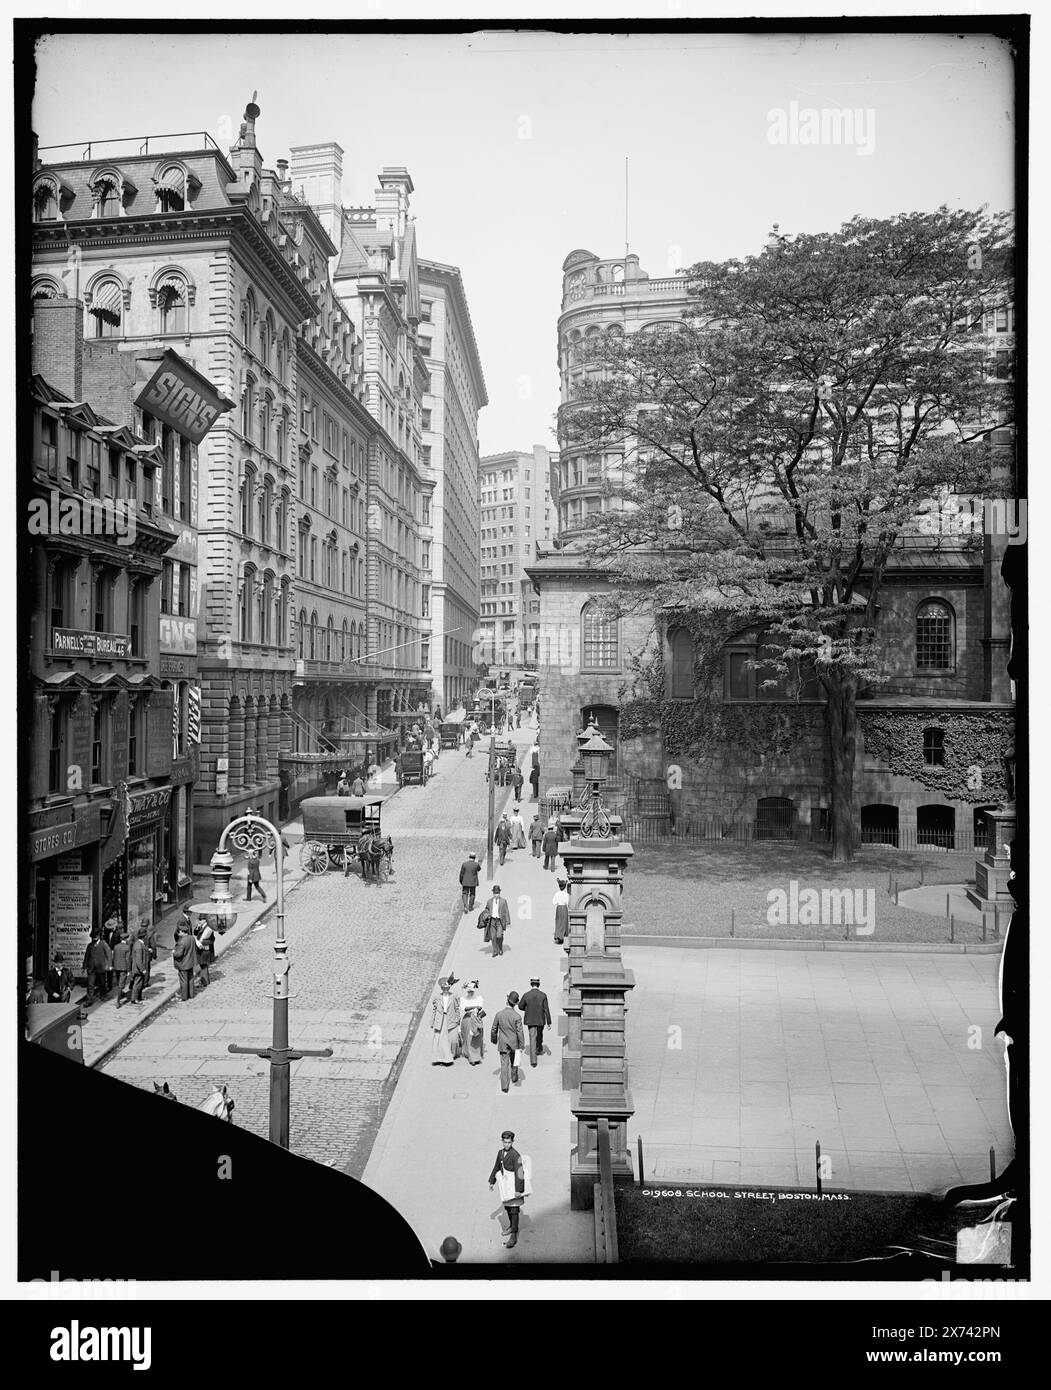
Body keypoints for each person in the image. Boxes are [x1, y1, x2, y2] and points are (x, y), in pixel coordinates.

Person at [488, 1131, 529, 1249]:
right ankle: (511, 1226)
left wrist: (519, 1190)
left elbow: (520, 1172)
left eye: (509, 1142)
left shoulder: (516, 1155)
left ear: (512, 1142)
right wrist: (492, 1181)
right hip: (506, 1184)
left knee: (514, 1209)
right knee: (507, 1206)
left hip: (514, 1184)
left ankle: (514, 1235)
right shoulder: (500, 1153)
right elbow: (496, 1167)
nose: (507, 1145)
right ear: (502, 1141)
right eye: (505, 1142)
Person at [490, 994, 526, 1093]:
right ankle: (514, 1076)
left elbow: (494, 1029)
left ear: (507, 1000)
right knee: (516, 1060)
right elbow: (520, 1032)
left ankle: (505, 1086)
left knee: (504, 1064)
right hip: (515, 1043)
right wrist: (522, 1044)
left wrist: (494, 1040)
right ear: (515, 1004)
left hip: (503, 1043)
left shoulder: (499, 1014)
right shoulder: (517, 1016)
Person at [518, 978, 552, 1066]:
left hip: (530, 1019)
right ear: (539, 984)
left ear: (531, 984)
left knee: (532, 1037)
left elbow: (520, 1006)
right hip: (540, 1018)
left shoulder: (526, 995)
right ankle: (539, 1048)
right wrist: (549, 1021)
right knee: (540, 1034)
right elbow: (546, 1009)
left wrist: (527, 1008)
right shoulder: (543, 995)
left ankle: (533, 1060)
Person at [430, 976, 461, 1065]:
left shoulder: (454, 996)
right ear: (441, 988)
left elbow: (457, 1008)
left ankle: (450, 1055)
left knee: (451, 1038)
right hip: (440, 1020)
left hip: (450, 1019)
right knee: (439, 1039)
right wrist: (432, 1021)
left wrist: (458, 1019)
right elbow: (434, 1010)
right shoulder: (437, 997)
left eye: (447, 988)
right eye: (444, 988)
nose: (446, 990)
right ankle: (443, 1059)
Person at [459, 979, 486, 1065]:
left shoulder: (479, 998)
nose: (470, 993)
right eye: (469, 991)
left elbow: (480, 1007)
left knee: (477, 1037)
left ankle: (477, 1056)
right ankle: (471, 1057)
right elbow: (465, 1008)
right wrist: (474, 1006)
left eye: (471, 991)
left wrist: (476, 1008)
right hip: (467, 1018)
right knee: (469, 1038)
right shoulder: (463, 999)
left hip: (476, 1018)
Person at [83, 932, 111, 1004]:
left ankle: (103, 995)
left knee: (102, 983)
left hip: (101, 968)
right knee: (90, 984)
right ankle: (89, 1000)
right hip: (91, 968)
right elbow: (86, 956)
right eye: (93, 937)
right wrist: (84, 967)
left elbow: (109, 954)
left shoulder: (103, 944)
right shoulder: (90, 945)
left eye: (95, 936)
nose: (94, 938)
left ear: (98, 936)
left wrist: (109, 965)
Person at [483, 885, 511, 958]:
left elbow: (506, 911)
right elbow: (486, 909)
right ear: (493, 893)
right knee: (493, 936)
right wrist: (487, 915)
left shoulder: (503, 901)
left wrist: (508, 920)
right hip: (492, 921)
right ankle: (495, 951)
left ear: (499, 892)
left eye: (497, 892)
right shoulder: (489, 901)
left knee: (499, 935)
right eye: (495, 893)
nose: (496, 894)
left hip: (500, 921)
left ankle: (500, 948)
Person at [172, 926, 198, 1001]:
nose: (179, 933)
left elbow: (179, 954)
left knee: (183, 980)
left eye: (179, 932)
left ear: (183, 932)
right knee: (190, 978)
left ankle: (184, 996)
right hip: (190, 962)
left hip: (183, 963)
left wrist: (174, 952)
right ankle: (191, 994)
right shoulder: (191, 938)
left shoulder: (182, 942)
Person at [194, 915, 216, 989]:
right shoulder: (202, 926)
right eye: (199, 919)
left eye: (200, 919)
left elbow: (204, 938)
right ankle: (204, 980)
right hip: (202, 949)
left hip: (205, 949)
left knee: (203, 965)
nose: (199, 921)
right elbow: (195, 933)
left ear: (204, 920)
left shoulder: (208, 928)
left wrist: (198, 941)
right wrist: (197, 927)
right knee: (203, 965)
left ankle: (205, 981)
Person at [112, 930, 131, 1008]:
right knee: (121, 984)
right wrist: (129, 970)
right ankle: (118, 1001)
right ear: (126, 939)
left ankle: (121, 993)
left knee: (118, 982)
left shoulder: (116, 946)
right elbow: (128, 959)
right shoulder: (127, 947)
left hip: (116, 967)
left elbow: (114, 957)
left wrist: (113, 966)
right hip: (123, 968)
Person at [128, 930, 149, 1004]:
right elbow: (139, 959)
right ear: (144, 937)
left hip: (138, 968)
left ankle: (139, 997)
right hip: (138, 969)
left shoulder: (139, 943)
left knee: (140, 983)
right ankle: (134, 999)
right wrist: (142, 969)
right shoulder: (139, 946)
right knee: (137, 984)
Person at [552, 878, 571, 943]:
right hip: (564, 908)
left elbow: (554, 902)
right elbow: (568, 903)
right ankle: (563, 935)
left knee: (558, 921)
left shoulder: (556, 894)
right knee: (564, 921)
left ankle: (558, 935)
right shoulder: (566, 894)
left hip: (558, 908)